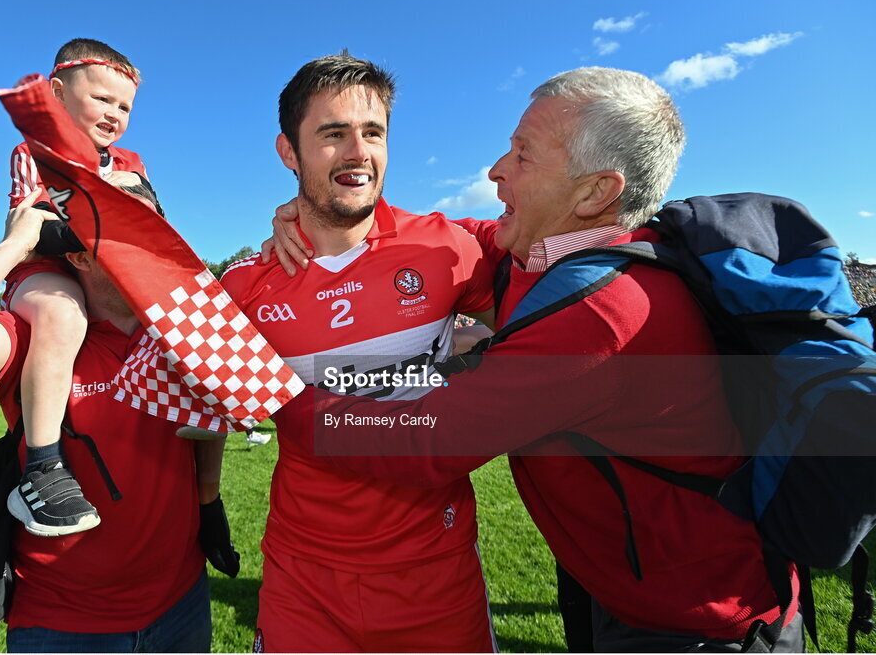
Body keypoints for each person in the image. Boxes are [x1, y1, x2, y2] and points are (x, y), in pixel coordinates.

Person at [270, 67, 803, 652]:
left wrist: (279, 392)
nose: (497, 169)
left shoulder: (604, 312)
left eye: (522, 156)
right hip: (622, 582)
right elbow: (445, 237)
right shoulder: (545, 262)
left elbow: (421, 440)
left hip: (696, 621)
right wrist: (321, 209)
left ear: (596, 192)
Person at [219, 54, 497, 652]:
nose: (357, 152)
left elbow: (535, 302)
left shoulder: (446, 247)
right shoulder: (244, 286)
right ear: (288, 152)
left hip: (437, 567)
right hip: (304, 576)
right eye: (332, 134)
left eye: (373, 133)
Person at [0, 188, 216, 651]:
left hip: (182, 601)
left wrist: (209, 505)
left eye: (153, 227)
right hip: (62, 622)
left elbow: (211, 418)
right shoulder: (38, 336)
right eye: (124, 229)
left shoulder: (186, 331)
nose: (148, 244)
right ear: (76, 252)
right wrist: (15, 245)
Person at [3, 38, 150, 537]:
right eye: (103, 99)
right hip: (46, 274)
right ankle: (42, 466)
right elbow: (34, 231)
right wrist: (106, 226)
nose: (115, 113)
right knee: (64, 315)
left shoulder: (131, 163)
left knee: (170, 310)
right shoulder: (33, 153)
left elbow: (152, 228)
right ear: (57, 94)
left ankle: (203, 408)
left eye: (125, 105)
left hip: (106, 275)